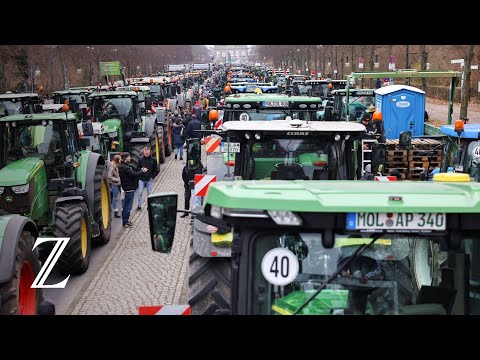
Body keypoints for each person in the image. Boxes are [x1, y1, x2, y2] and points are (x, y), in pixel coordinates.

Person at [118, 152, 147, 227]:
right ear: (125, 159)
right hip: (129, 189)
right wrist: (142, 171)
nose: (130, 158)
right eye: (128, 157)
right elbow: (134, 174)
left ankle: (125, 221)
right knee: (128, 207)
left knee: (125, 206)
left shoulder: (122, 167)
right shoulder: (125, 168)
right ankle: (125, 221)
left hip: (126, 188)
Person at [137, 146, 158, 211]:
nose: (146, 154)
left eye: (147, 153)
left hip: (149, 179)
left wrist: (153, 176)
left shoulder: (153, 160)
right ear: (143, 153)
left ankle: (149, 205)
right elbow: (137, 168)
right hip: (141, 178)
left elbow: (156, 169)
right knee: (140, 192)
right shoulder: (140, 160)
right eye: (145, 153)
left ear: (150, 152)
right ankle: (139, 206)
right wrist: (142, 169)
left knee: (150, 193)